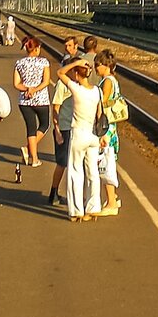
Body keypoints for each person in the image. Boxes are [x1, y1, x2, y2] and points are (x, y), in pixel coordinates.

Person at [55, 58, 104, 221]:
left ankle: (76, 211)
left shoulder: (76, 89)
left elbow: (60, 72)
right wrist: (102, 136)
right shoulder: (97, 91)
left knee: (76, 172)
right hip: (93, 135)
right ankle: (94, 207)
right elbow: (99, 115)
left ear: (76, 74)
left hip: (79, 133)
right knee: (93, 172)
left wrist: (76, 63)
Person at [45, 36, 83, 206]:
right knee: (62, 163)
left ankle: (71, 195)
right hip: (65, 128)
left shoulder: (80, 84)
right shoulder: (62, 85)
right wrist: (57, 130)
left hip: (77, 128)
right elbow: (55, 108)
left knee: (75, 164)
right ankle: (53, 192)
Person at [12, 36, 51, 168]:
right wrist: (34, 90)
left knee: (31, 128)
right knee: (44, 125)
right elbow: (46, 81)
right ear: (37, 48)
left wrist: (27, 89)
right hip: (41, 100)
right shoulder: (44, 62)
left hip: (24, 101)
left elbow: (16, 84)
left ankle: (34, 159)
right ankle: (27, 149)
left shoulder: (19, 63)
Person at [95, 50, 123, 215]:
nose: (96, 68)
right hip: (111, 126)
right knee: (108, 162)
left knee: (106, 164)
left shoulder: (107, 82)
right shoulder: (113, 80)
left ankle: (111, 203)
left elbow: (102, 101)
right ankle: (112, 198)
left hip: (106, 128)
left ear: (106, 66)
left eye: (98, 65)